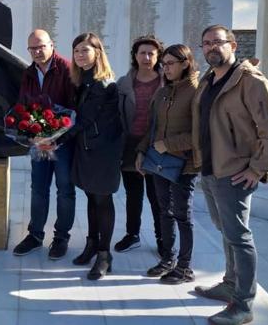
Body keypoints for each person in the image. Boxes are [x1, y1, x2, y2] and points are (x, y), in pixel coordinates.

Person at [192, 25, 268, 325]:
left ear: (233, 45)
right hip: (210, 168)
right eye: (206, 43)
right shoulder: (209, 80)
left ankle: (243, 304)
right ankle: (230, 284)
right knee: (226, 230)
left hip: (234, 172)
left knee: (239, 236)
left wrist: (258, 168)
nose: (211, 48)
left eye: (217, 42)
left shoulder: (251, 82)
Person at [54, 33, 122, 279]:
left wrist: (52, 139)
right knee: (92, 199)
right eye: (76, 51)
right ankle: (93, 244)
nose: (80, 55)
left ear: (98, 53)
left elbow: (84, 120)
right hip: (86, 149)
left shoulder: (102, 84)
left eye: (85, 50)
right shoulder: (81, 80)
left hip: (103, 152)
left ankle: (105, 255)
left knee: (102, 201)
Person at [134, 44, 200, 285]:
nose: (166, 68)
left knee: (183, 215)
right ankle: (168, 259)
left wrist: (169, 144)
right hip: (159, 162)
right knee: (165, 211)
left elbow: (200, 134)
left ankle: (185, 267)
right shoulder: (162, 92)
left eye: (171, 63)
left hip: (185, 164)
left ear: (185, 63)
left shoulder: (196, 91)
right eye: (164, 64)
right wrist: (142, 151)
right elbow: (151, 127)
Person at [12, 29, 77, 260]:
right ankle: (35, 235)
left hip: (63, 144)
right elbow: (23, 105)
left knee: (65, 191)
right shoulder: (28, 73)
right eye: (32, 48)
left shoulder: (68, 69)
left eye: (41, 46)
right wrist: (32, 135)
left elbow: (73, 109)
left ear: (52, 45)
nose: (37, 52)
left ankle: (61, 238)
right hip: (39, 144)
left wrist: (58, 137)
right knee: (38, 190)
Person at [115, 35, 164, 255]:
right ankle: (132, 234)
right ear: (135, 56)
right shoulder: (124, 84)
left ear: (158, 56)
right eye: (142, 53)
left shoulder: (167, 82)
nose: (146, 57)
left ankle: (162, 237)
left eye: (151, 53)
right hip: (130, 146)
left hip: (157, 147)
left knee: (157, 196)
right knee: (133, 194)